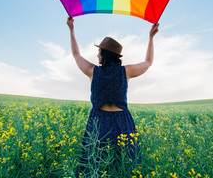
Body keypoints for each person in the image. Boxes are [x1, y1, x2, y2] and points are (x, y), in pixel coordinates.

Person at [67, 16, 159, 174]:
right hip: (122, 122)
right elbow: (148, 62)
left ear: (104, 55)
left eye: (99, 52)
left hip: (98, 121)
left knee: (95, 165)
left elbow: (76, 54)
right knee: (124, 166)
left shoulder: (92, 71)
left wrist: (71, 30)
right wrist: (151, 37)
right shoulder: (127, 72)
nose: (97, 56)